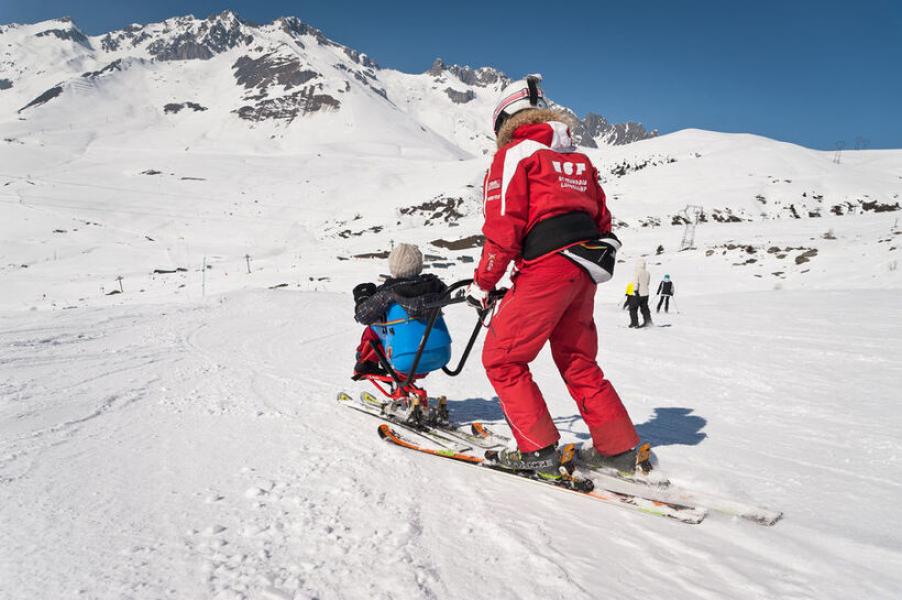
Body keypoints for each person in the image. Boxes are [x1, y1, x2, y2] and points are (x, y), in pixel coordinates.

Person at [464, 75, 645, 478]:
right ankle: (618, 450)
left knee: (502, 358)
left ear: (504, 123)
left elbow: (503, 227)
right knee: (578, 360)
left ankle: (538, 452)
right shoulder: (579, 160)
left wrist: (485, 283)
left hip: (546, 266)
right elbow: (602, 218)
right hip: (583, 267)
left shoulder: (514, 155)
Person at [352, 244, 447, 378]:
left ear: (394, 267)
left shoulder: (388, 293)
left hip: (404, 356)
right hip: (439, 352)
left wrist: (363, 298)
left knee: (373, 328)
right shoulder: (435, 286)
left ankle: (366, 362)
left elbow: (363, 316)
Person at [633, 258, 653, 328]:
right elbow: (647, 283)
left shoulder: (637, 272)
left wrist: (635, 290)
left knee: (633, 308)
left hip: (639, 293)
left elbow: (636, 282)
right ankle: (648, 321)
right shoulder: (647, 273)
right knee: (645, 308)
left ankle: (634, 323)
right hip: (646, 293)